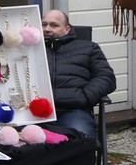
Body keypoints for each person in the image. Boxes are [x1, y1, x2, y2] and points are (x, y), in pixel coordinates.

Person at [42, 9, 116, 141]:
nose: (47, 29)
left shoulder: (88, 48)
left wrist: (85, 96)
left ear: (67, 29)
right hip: (35, 112)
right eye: (44, 24)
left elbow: (106, 77)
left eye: (54, 25)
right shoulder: (29, 49)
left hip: (73, 110)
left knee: (81, 141)